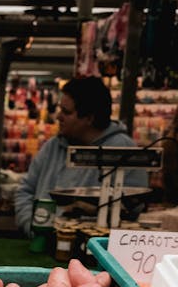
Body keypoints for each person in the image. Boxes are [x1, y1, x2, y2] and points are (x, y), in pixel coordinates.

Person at [14, 75, 149, 234]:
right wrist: (32, 226)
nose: (58, 117)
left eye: (66, 112)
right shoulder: (52, 146)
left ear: (89, 118)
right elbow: (25, 191)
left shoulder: (124, 150)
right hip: (42, 243)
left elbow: (134, 206)